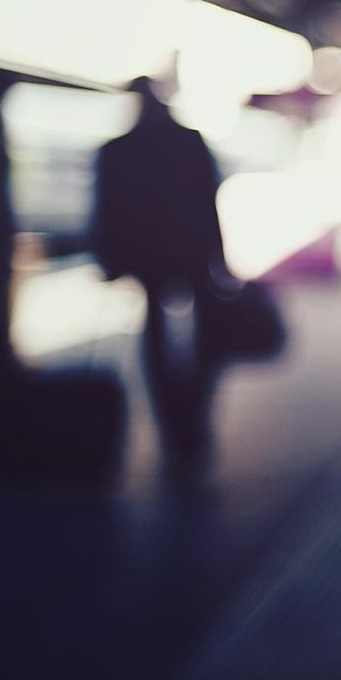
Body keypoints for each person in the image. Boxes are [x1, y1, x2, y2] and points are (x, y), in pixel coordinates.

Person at [90, 75, 226, 434]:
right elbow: (208, 201)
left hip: (146, 255)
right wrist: (219, 257)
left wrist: (109, 260)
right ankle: (195, 404)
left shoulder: (117, 149)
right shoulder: (189, 141)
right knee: (204, 330)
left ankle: (168, 412)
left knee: (153, 333)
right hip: (191, 250)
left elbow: (106, 208)